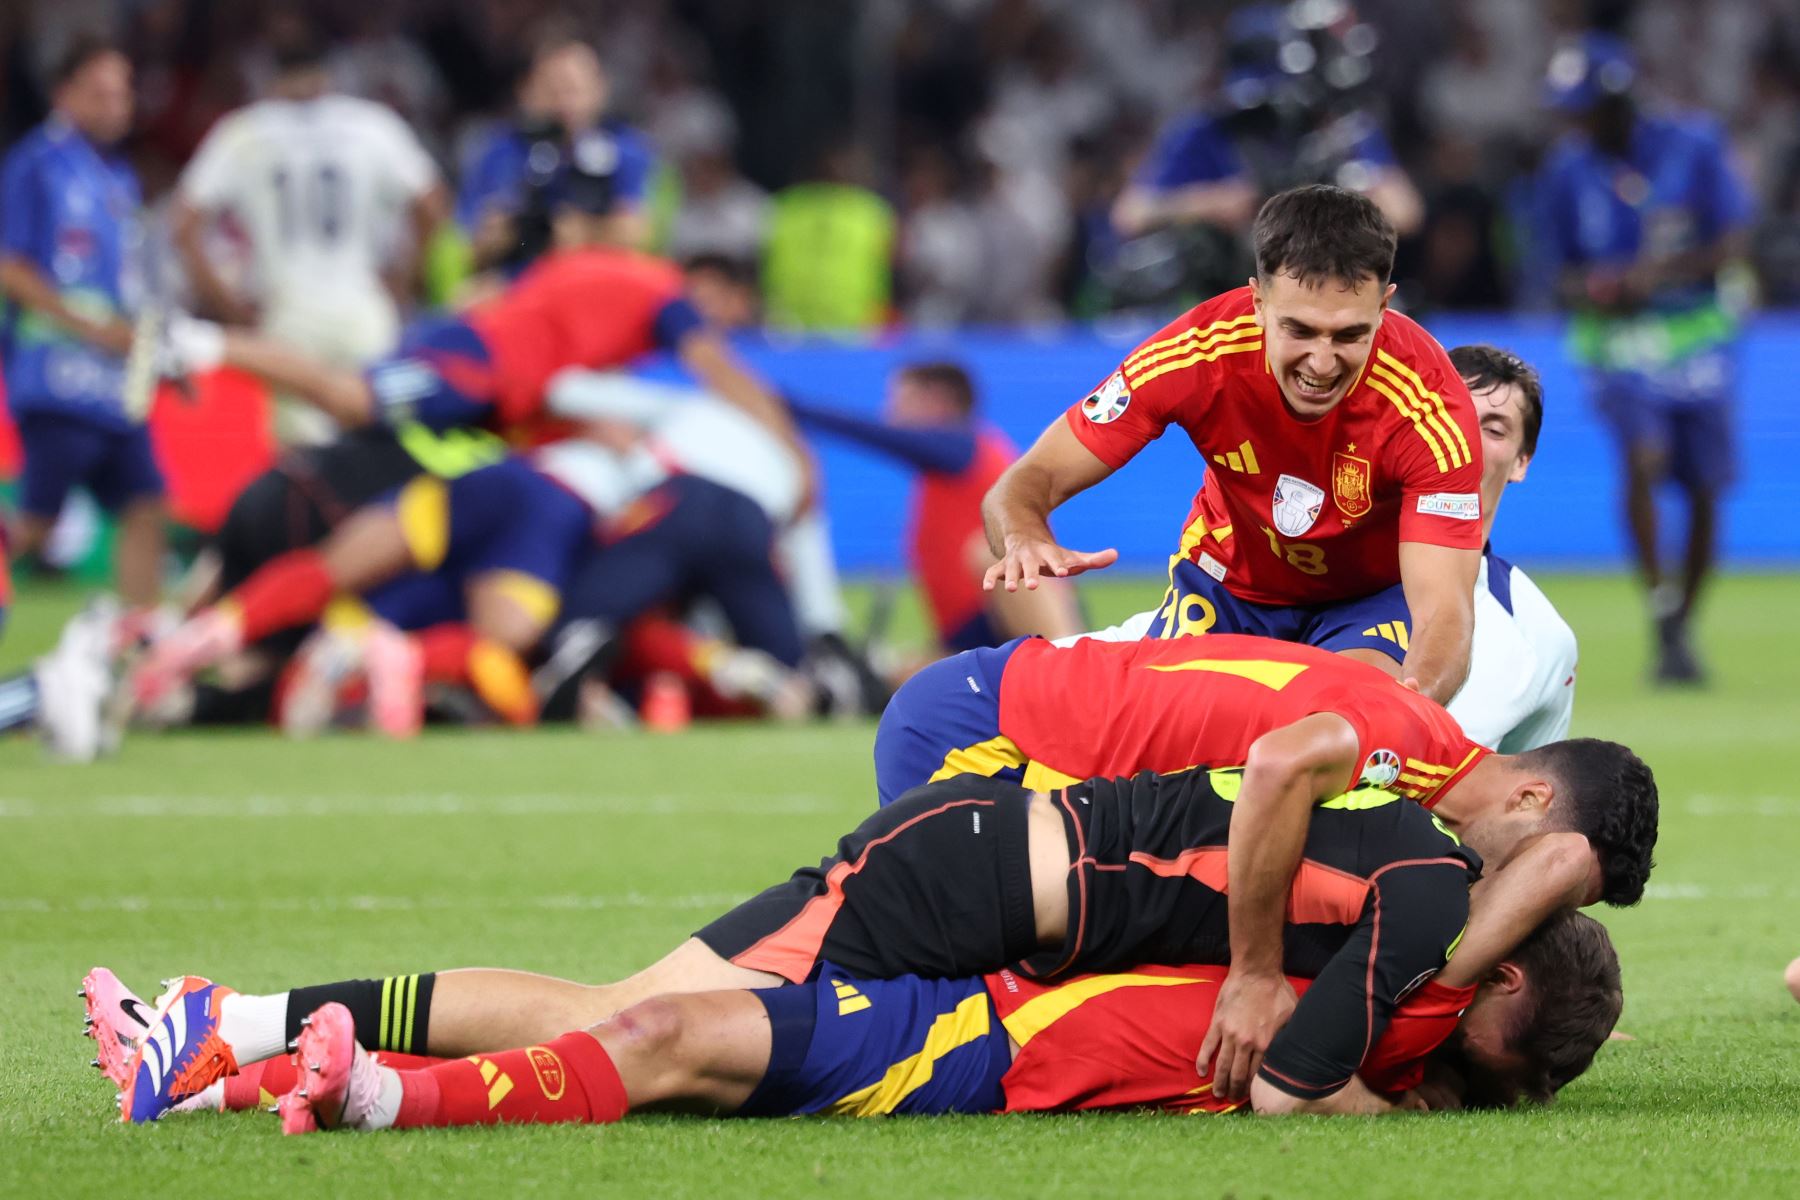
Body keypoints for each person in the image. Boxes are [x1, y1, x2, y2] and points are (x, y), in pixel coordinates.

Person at [111, 752, 1652, 1122]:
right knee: (649, 1027)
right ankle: (235, 1027)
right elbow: (1298, 1063)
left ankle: (244, 1042)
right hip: (971, 880)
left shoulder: (1402, 827)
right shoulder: (1433, 878)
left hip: (987, 868)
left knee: (620, 1009)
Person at [93, 908, 1618, 1130]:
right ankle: (223, 1051)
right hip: (985, 981)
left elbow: (1309, 1097)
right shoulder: (1401, 979)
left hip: (978, 1051)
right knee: (630, 1007)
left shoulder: (1383, 1062)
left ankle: (352, 1094)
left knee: (658, 1032)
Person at [983, 185, 1483, 704]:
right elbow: (1024, 483)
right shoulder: (1194, 356)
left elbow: (1445, 614)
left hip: (1365, 602)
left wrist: (1406, 717)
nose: (1321, 362)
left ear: (1385, 305)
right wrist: (1023, 535)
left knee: (1349, 714)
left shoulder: (1431, 410)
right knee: (1162, 743)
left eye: (1349, 335)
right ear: (1258, 301)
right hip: (1227, 588)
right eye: (1299, 330)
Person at [1070, 343, 1576, 754]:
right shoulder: (1299, 568)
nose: (1465, 439)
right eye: (1458, 414)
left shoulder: (1538, 639)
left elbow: (1525, 801)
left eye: (1494, 429)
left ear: (1521, 461)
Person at [1533, 33, 1754, 684]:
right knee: (1644, 455)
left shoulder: (1696, 143)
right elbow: (1554, 268)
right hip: (1617, 338)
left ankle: (1679, 624)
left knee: (1705, 486)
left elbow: (1734, 238)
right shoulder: (1566, 168)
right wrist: (1595, 287)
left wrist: (1653, 276)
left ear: (1619, 103)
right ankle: (1660, 608)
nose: (1576, 124)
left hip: (1697, 329)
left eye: (1585, 111)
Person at [170, 13, 448, 446]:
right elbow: (432, 204)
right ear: (331, 72)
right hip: (364, 307)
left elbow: (184, 226)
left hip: (288, 316)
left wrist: (228, 307)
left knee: (303, 464)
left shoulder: (245, 131)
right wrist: (403, 276)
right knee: (381, 443)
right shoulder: (371, 125)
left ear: (270, 76)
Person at [0, 36, 164, 612]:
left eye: (122, 94)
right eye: (101, 94)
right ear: (64, 93)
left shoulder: (119, 178)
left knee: (146, 505)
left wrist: (151, 349)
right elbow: (10, 269)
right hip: (57, 378)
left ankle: (142, 654)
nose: (116, 107)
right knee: (36, 529)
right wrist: (90, 329)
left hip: (114, 385)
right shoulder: (35, 165)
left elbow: (127, 287)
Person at [788, 361, 1083, 652]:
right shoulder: (947, 466)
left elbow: (874, 433)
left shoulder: (965, 446)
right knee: (902, 681)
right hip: (967, 629)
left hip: (999, 610)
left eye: (901, 400)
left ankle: (1062, 659)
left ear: (937, 401)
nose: (889, 412)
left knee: (987, 551)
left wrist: (794, 408)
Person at [458, 29, 655, 263]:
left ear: (599, 89)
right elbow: (472, 245)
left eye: (573, 89)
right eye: (552, 90)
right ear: (527, 92)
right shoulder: (501, 152)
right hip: (522, 282)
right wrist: (514, 233)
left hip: (599, 278)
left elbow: (638, 234)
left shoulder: (628, 151)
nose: (564, 103)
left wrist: (581, 231)